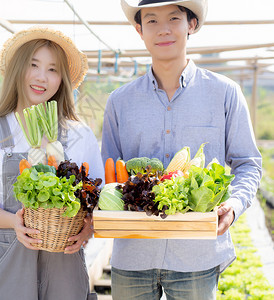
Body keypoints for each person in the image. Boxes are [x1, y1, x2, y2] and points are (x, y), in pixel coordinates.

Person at [101, 0, 262, 299]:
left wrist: (235, 205)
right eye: (151, 21)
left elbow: (248, 162)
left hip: (196, 254)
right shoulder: (120, 102)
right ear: (139, 30)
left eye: (173, 18)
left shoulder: (224, 93)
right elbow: (108, 173)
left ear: (191, 24)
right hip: (133, 253)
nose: (163, 29)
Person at [0, 26, 104, 300]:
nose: (41, 77)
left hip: (65, 260)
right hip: (9, 257)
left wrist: (88, 227)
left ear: (62, 79)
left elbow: (96, 202)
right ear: (18, 70)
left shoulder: (78, 134)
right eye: (33, 65)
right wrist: (14, 223)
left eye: (53, 69)